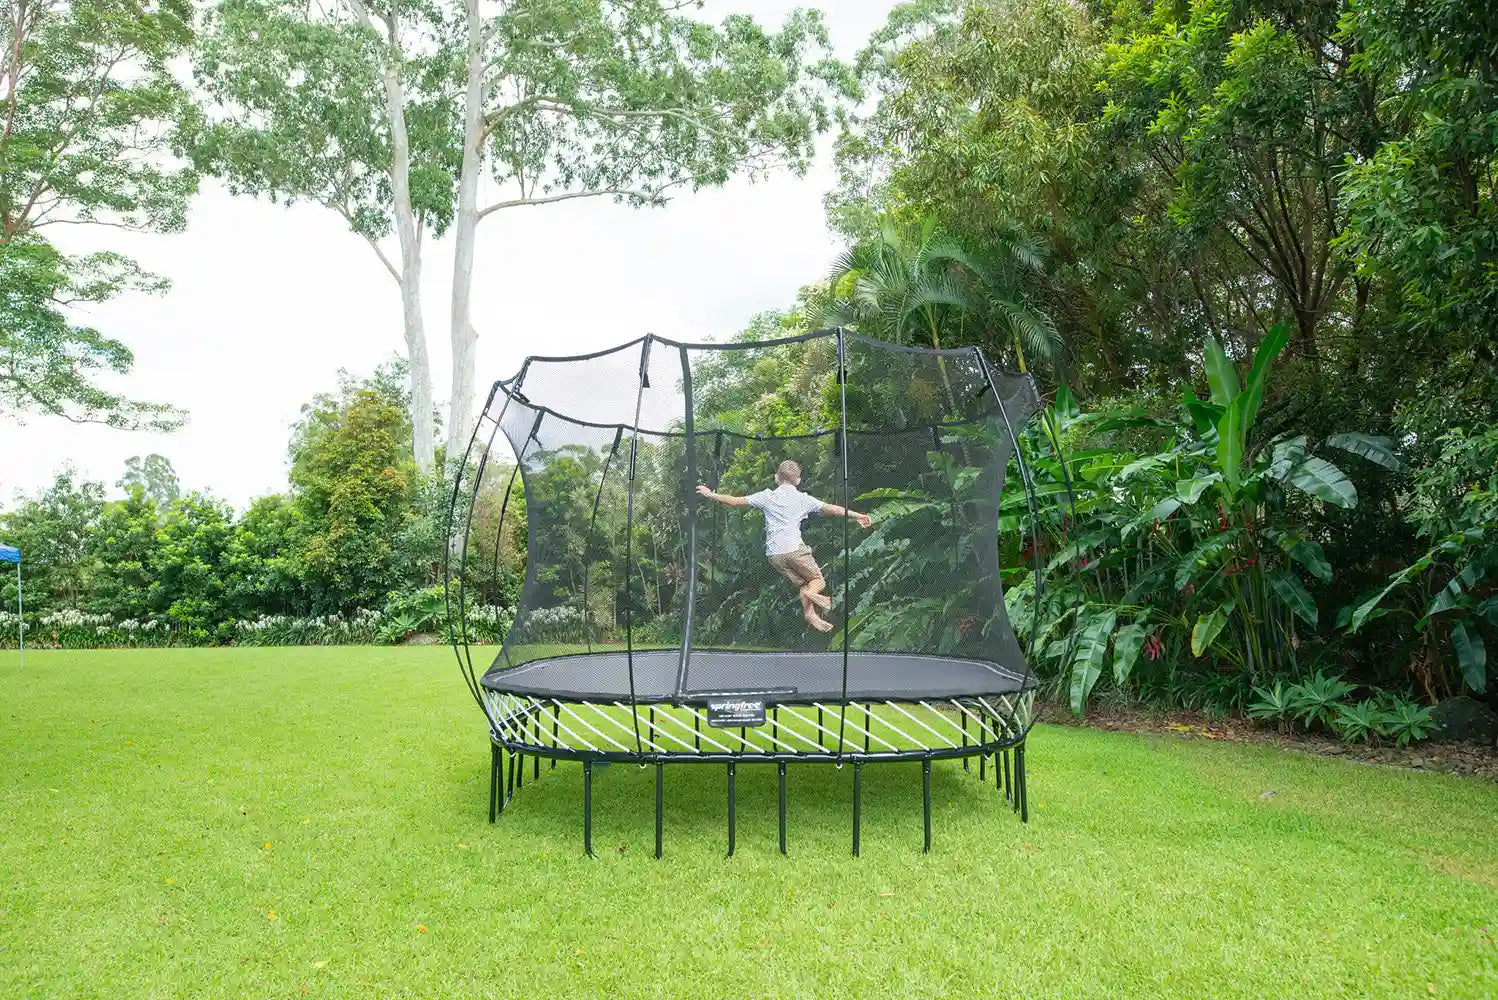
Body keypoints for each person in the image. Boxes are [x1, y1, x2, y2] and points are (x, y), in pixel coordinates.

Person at [696, 460, 872, 633]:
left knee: (805, 584)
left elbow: (734, 501)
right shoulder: (803, 499)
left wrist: (711, 494)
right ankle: (812, 596)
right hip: (794, 550)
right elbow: (833, 509)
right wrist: (857, 515)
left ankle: (809, 614)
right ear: (798, 480)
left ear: (776, 478)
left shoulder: (766, 496)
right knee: (818, 581)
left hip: (774, 555)